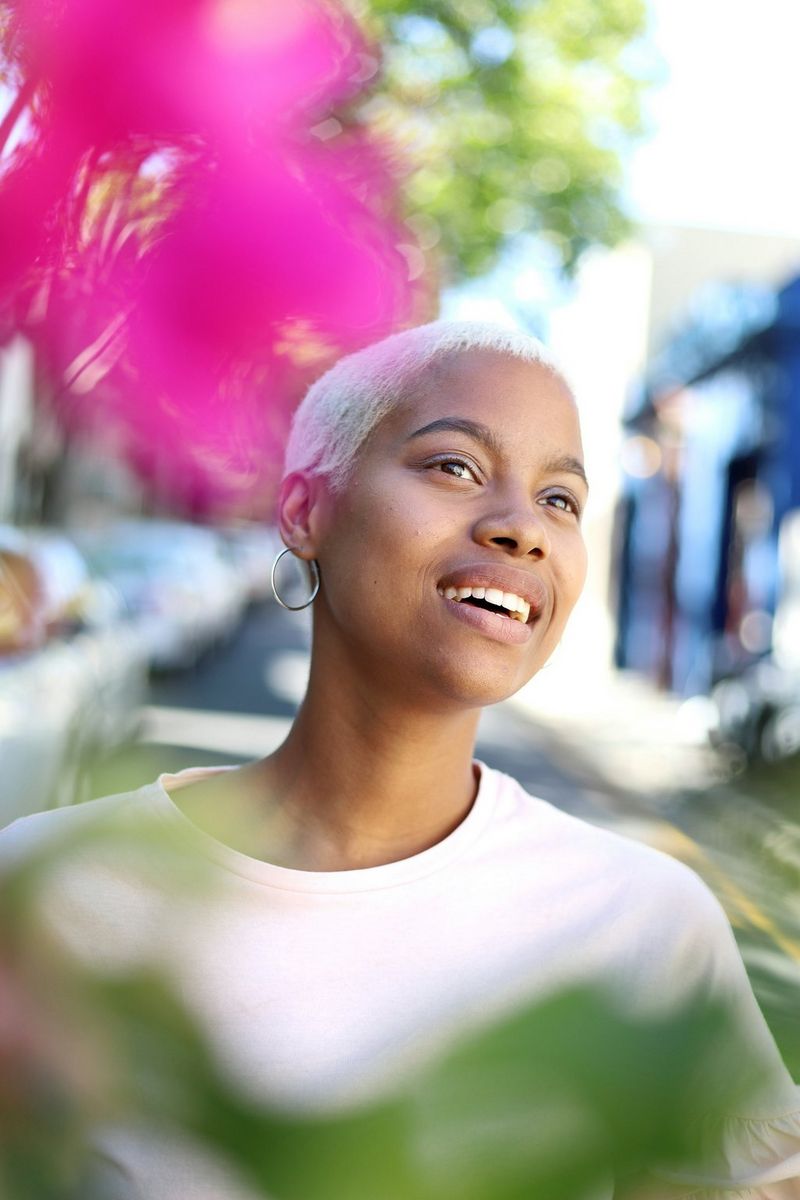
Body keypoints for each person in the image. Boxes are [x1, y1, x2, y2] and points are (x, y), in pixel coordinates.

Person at [2, 321, 799, 1198]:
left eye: (560, 500)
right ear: (307, 510)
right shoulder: (39, 889)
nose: (522, 529)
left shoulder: (647, 926)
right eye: (454, 466)